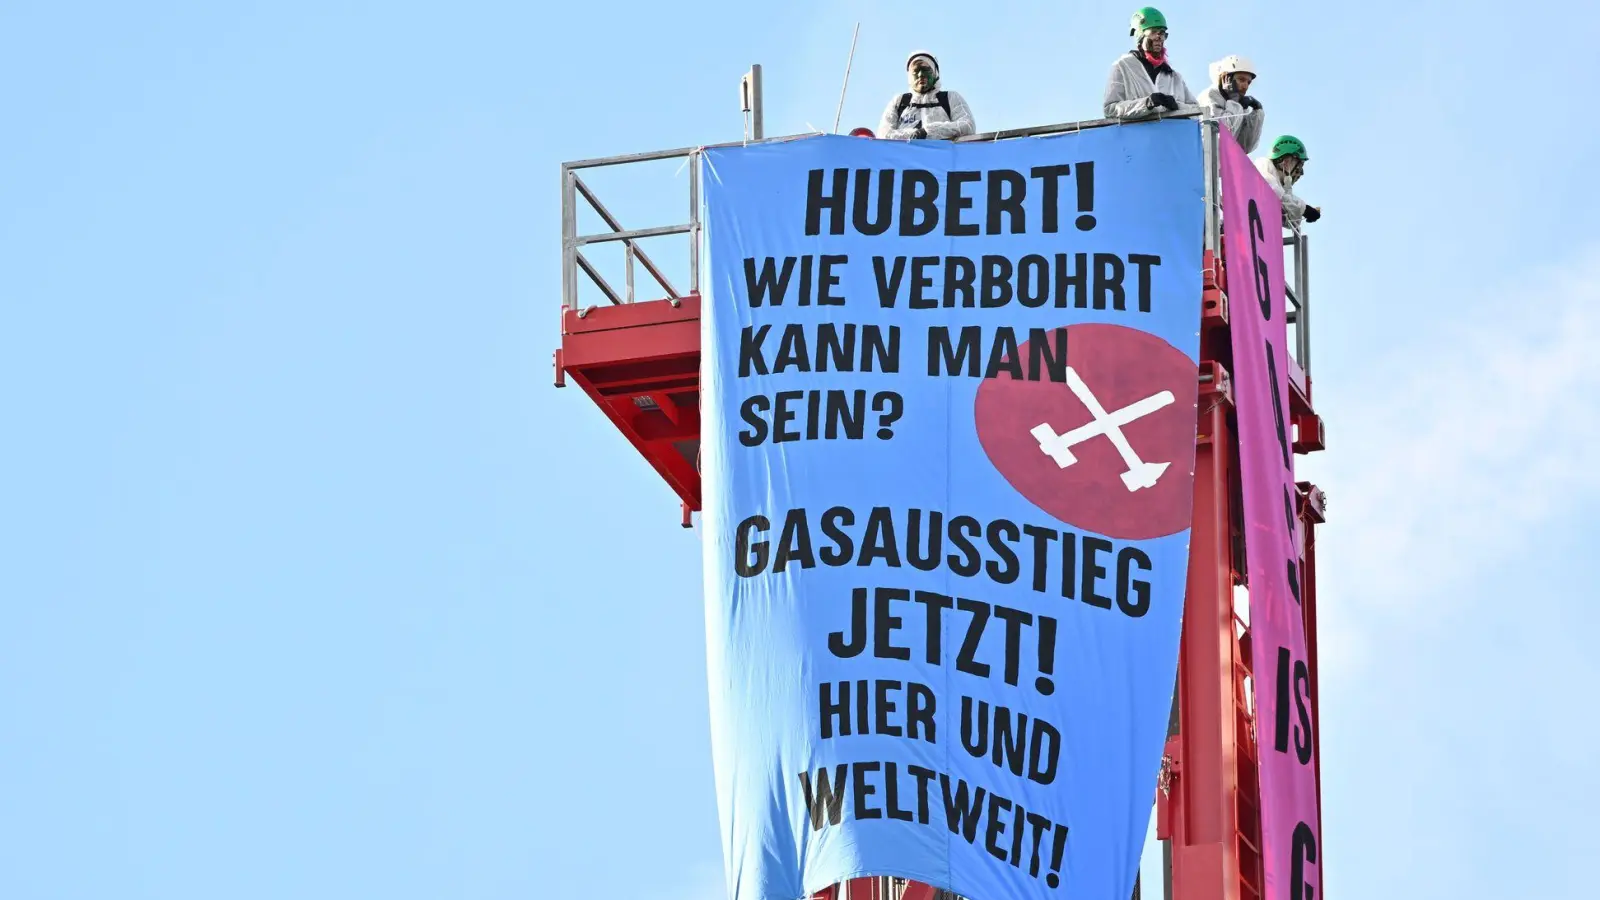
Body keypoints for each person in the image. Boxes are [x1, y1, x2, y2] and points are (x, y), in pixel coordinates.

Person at [1104, 7, 1197, 119]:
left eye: (1162, 33)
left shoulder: (1174, 77)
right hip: (1139, 135)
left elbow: (1197, 112)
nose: (1159, 38)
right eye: (1153, 32)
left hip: (1171, 135)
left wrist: (1177, 106)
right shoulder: (1123, 67)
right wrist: (1146, 103)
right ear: (1140, 35)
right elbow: (1110, 109)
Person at [876, 51, 976, 140]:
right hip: (905, 158)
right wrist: (912, 134)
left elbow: (967, 125)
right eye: (916, 71)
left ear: (935, 74)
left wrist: (928, 131)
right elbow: (883, 134)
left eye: (925, 69)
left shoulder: (950, 98)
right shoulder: (899, 101)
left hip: (942, 158)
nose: (920, 75)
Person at [1200, 55, 1264, 153]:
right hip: (1204, 161)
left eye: (1249, 82)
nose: (1246, 86)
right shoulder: (1210, 96)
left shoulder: (1239, 105)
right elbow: (1221, 136)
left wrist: (1257, 113)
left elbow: (1244, 147)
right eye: (1241, 80)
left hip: (1223, 164)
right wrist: (1234, 102)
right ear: (1226, 78)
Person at [1254, 135, 1322, 229]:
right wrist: (1304, 209)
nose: (1300, 172)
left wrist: (1303, 209)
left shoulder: (1280, 186)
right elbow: (1272, 190)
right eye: (1299, 165)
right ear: (1286, 162)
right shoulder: (1263, 164)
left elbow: (1291, 220)